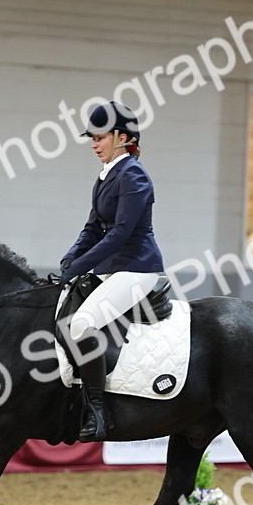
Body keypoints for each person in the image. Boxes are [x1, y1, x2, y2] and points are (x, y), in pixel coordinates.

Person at [58, 101, 165, 442]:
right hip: (111, 270)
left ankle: (98, 412)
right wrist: (69, 259)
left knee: (83, 323)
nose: (93, 144)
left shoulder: (134, 176)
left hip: (136, 269)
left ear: (121, 137)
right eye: (92, 138)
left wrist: (79, 267)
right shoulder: (106, 175)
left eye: (100, 137)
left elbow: (119, 234)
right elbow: (92, 228)